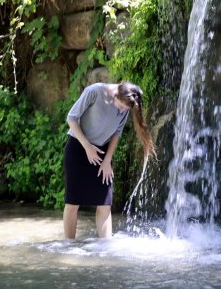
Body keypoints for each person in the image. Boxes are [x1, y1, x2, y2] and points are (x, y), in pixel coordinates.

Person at [63, 81, 154, 239]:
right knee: (73, 203)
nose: (122, 111)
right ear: (116, 95)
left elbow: (117, 132)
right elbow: (71, 118)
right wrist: (87, 146)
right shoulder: (94, 91)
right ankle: (68, 245)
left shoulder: (126, 103)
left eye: (125, 109)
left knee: (105, 204)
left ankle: (105, 246)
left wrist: (107, 160)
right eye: (121, 107)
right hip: (78, 147)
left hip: (103, 153)